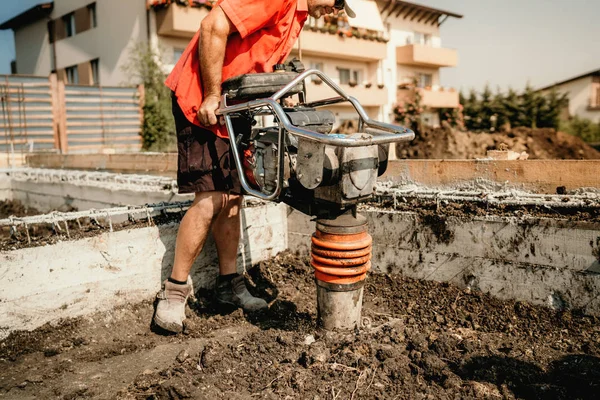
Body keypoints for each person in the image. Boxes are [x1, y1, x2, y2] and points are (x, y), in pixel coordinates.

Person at [153, 0, 357, 333]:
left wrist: (283, 88)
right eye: (336, 3)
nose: (335, 11)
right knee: (209, 199)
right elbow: (212, 27)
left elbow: (256, 59)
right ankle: (174, 292)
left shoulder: (297, 17)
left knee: (234, 199)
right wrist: (209, 95)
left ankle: (228, 284)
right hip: (204, 103)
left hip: (234, 109)